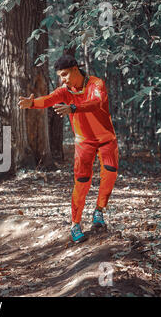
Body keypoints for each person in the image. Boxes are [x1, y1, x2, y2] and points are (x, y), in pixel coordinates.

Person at [17, 54, 118, 243]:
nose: (62, 79)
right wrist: (32, 103)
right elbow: (48, 99)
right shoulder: (65, 91)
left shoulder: (96, 84)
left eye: (64, 75)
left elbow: (97, 103)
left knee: (110, 172)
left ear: (75, 69)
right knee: (82, 181)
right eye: (60, 76)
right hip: (83, 142)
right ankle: (75, 224)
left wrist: (73, 108)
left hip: (106, 139)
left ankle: (99, 211)